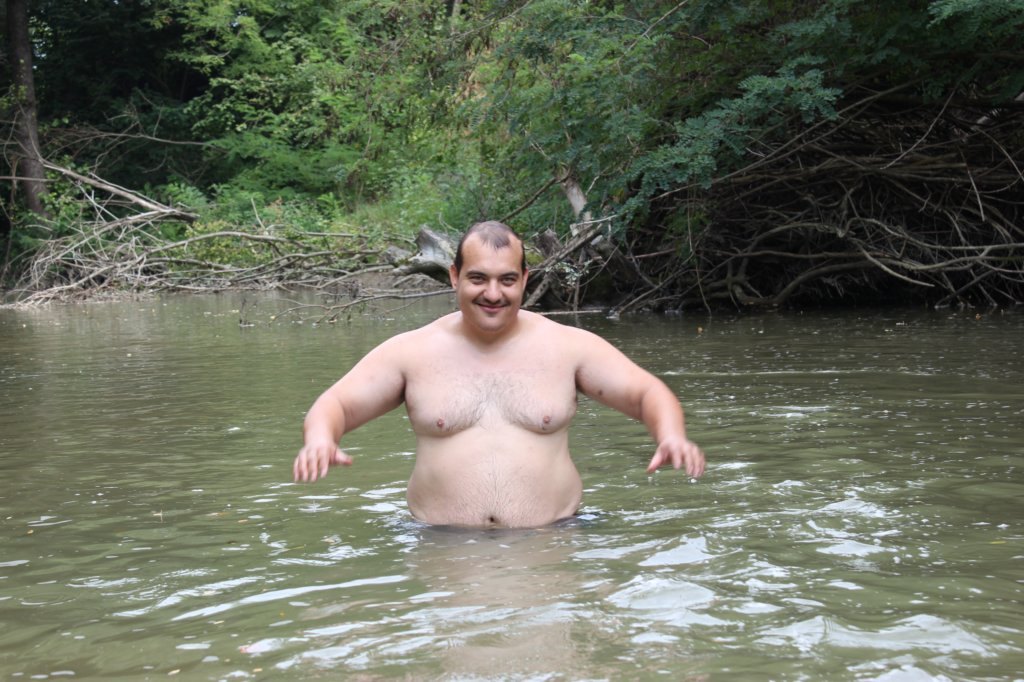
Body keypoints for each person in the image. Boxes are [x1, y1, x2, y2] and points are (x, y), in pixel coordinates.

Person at [293, 220, 705, 528]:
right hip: (441, 547)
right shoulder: (411, 352)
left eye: (507, 279)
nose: (493, 294)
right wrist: (320, 439)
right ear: (454, 276)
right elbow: (336, 405)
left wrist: (670, 434)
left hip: (554, 541)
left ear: (525, 279)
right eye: (478, 278)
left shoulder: (569, 347)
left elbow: (646, 393)